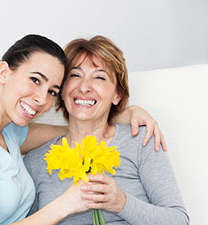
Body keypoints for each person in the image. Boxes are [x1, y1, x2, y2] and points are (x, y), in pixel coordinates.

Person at [0, 34, 165, 225]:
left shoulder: (10, 134)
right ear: (4, 73)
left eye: (52, 91)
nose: (42, 99)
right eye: (35, 80)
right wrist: (66, 204)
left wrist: (123, 113)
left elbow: (72, 131)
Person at [24, 36, 189, 225]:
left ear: (117, 95)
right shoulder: (36, 160)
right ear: (62, 89)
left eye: (99, 77)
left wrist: (121, 203)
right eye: (75, 75)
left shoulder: (140, 140)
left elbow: (179, 220)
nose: (84, 87)